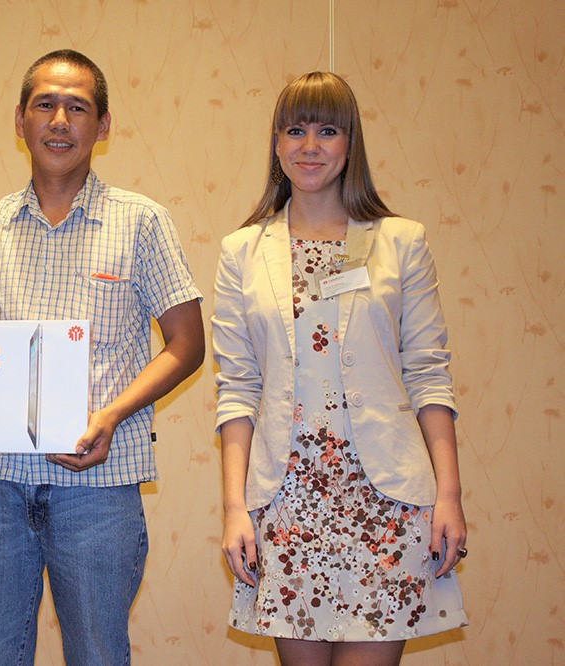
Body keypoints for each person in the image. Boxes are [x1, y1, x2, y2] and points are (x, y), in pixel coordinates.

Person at [0, 50, 204, 665]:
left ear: (102, 125)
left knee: (97, 655)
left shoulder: (141, 222)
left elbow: (188, 344)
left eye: (78, 108)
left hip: (98, 488)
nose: (60, 120)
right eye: (45, 105)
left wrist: (110, 416)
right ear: (20, 120)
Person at [212, 71, 468, 665]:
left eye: (328, 131)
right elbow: (238, 389)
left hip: (386, 502)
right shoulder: (242, 252)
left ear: (350, 144)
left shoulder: (400, 242)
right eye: (295, 130)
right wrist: (234, 510)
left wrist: (449, 496)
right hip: (288, 499)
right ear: (276, 143)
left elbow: (429, 375)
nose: (310, 146)